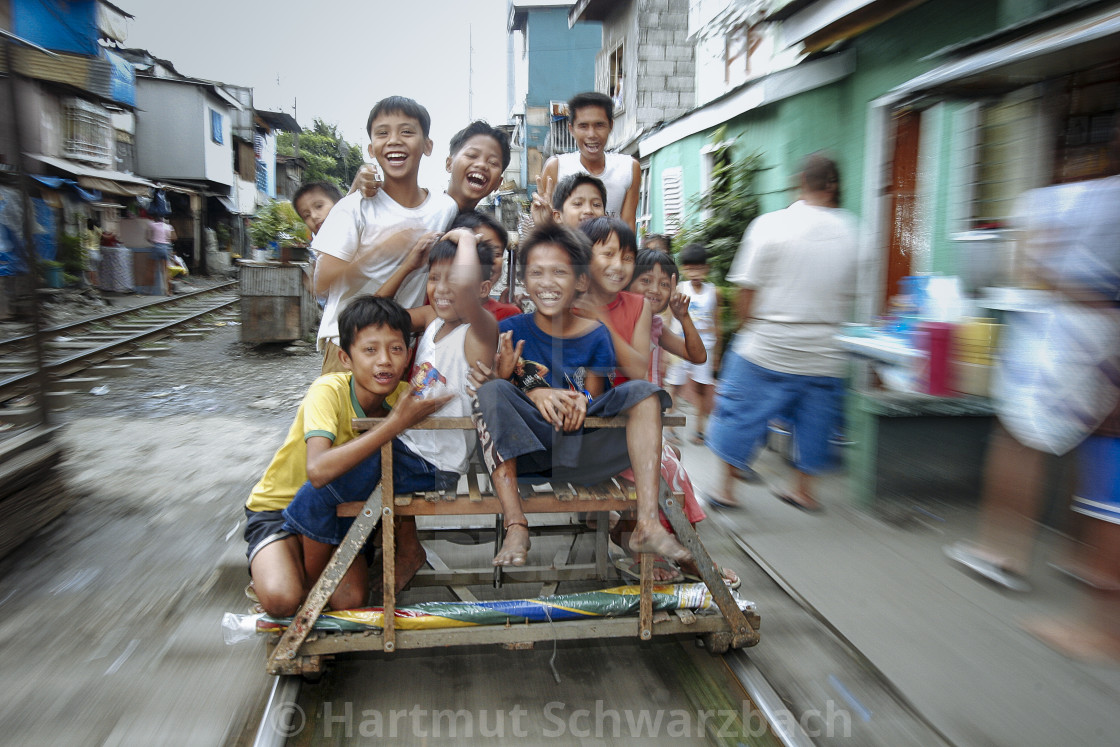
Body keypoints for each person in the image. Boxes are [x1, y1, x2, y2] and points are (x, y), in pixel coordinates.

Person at [283, 232, 498, 593]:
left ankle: (310, 591)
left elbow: (462, 290)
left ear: (481, 289)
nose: (442, 289)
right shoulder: (432, 320)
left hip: (431, 464)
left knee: (316, 495)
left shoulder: (478, 332)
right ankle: (326, 573)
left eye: (454, 278)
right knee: (322, 490)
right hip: (408, 448)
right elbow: (365, 319)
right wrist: (410, 266)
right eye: (434, 278)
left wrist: (463, 236)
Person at [472, 223, 691, 568]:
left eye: (560, 272)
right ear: (525, 282)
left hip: (586, 452)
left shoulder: (595, 333)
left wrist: (580, 402)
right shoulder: (510, 330)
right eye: (537, 273)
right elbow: (500, 395)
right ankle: (516, 524)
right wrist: (534, 392)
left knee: (645, 392)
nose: (547, 282)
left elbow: (593, 395)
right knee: (491, 391)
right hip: (531, 453)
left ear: (580, 282)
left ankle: (647, 523)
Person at [243, 296, 452, 616]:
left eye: (396, 349)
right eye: (370, 350)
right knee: (282, 599)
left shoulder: (404, 395)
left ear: (409, 354)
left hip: (345, 513)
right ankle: (282, 565)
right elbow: (318, 471)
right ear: (345, 357)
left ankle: (299, 567)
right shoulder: (328, 390)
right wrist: (394, 424)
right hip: (278, 509)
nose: (384, 361)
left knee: (350, 601)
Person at [706, 153, 858, 511]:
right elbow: (851, 295)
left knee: (739, 412)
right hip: (825, 350)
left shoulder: (770, 225)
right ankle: (805, 491)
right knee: (816, 419)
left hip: (769, 343)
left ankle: (726, 489)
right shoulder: (853, 231)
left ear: (800, 182)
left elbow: (746, 292)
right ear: (834, 186)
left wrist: (748, 331)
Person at [312, 96, 459, 375]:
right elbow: (320, 282)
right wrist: (382, 250)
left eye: (406, 131)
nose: (394, 140)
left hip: (398, 346)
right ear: (371, 148)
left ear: (427, 146)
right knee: (342, 418)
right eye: (382, 133)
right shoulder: (354, 207)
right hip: (347, 345)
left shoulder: (444, 208)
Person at [540, 92, 641, 229]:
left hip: (608, 250)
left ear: (611, 126)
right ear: (571, 128)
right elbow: (547, 224)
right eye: (583, 126)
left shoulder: (628, 168)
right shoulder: (556, 167)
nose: (592, 134)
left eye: (599, 125)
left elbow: (628, 227)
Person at [574, 216, 650, 384]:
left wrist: (600, 321)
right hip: (574, 398)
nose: (618, 265)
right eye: (608, 254)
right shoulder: (571, 305)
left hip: (620, 401)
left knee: (647, 394)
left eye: (628, 258)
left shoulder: (639, 305)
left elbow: (638, 372)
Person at [663, 244, 721, 446]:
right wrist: (666, 350)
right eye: (690, 268)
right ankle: (669, 429)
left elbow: (716, 324)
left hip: (705, 346)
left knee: (702, 389)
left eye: (699, 268)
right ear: (684, 269)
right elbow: (670, 319)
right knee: (674, 386)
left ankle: (700, 431)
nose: (694, 273)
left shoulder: (713, 292)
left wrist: (717, 356)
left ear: (707, 268)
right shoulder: (680, 289)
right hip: (680, 345)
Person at [451, 210, 521, 321]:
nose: (489, 260)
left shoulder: (508, 315)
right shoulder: (438, 306)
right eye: (478, 250)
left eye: (496, 253)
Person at [146, 215, 175, 295]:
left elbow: (148, 237)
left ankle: (149, 290)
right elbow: (173, 237)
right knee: (165, 271)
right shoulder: (168, 226)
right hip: (165, 248)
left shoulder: (152, 225)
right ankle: (169, 291)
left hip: (156, 246)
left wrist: (152, 240)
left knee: (151, 269)